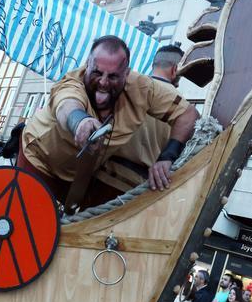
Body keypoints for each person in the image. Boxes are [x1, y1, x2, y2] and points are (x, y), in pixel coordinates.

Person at [18, 36, 200, 206]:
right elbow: (67, 105)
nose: (103, 82)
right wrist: (80, 122)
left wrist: (167, 157)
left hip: (78, 175)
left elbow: (188, 115)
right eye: (97, 73)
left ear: (126, 74)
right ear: (87, 66)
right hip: (40, 160)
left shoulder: (143, 88)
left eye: (113, 76)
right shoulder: (73, 83)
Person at [103, 44, 187, 191]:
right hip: (139, 188)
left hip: (101, 175)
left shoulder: (127, 85)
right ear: (175, 69)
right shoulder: (183, 107)